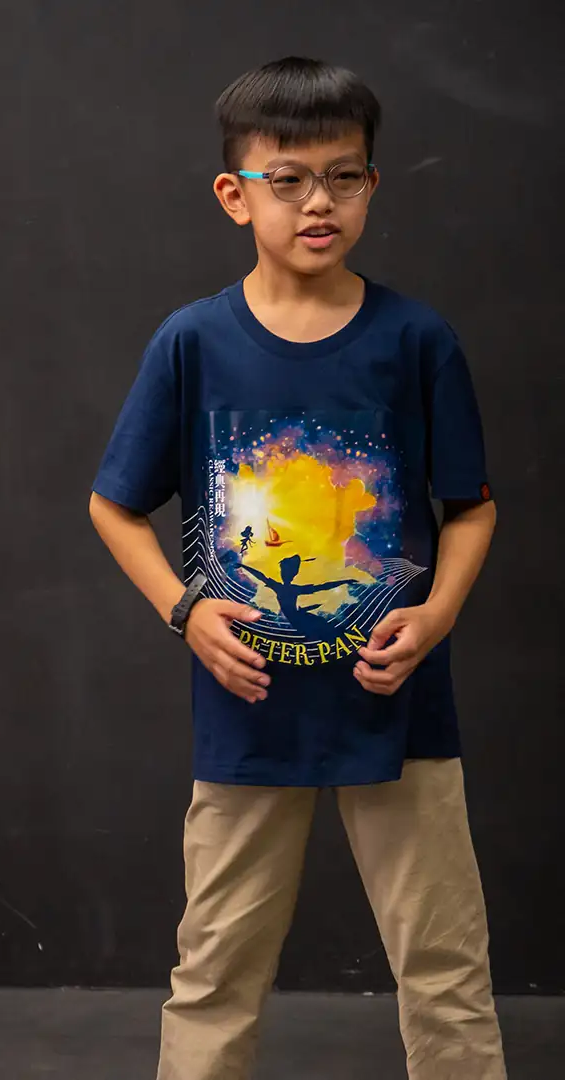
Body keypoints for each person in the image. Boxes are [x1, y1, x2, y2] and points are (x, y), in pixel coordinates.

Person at [90, 58, 505, 1080]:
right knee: (215, 970)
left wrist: (438, 615)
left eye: (343, 177)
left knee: (445, 968)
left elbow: (472, 506)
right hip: (248, 710)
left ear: (372, 186)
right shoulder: (192, 342)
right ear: (236, 195)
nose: (319, 202)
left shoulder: (416, 340)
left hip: (401, 711)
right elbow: (114, 505)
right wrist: (186, 610)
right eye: (289, 180)